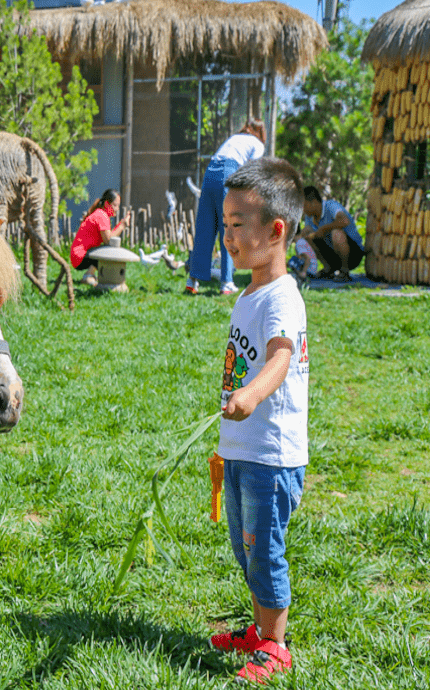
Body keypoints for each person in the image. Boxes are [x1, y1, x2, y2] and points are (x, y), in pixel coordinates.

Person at [210, 157, 309, 684]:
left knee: (263, 550)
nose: (228, 235)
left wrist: (249, 396)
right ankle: (259, 629)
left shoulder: (281, 298)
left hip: (272, 453)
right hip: (245, 448)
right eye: (224, 223)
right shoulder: (248, 293)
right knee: (245, 549)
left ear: (276, 231)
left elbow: (279, 360)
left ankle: (275, 644)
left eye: (238, 224)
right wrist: (229, 439)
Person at [187, 118, 267, 295]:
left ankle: (192, 281)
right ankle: (227, 283)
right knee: (230, 229)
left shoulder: (235, 138)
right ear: (262, 133)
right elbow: (251, 172)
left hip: (210, 174)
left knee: (205, 229)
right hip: (227, 172)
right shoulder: (258, 144)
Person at [299, 186, 365, 282]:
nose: (302, 210)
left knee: (336, 233)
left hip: (353, 254)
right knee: (307, 232)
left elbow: (344, 221)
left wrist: (324, 229)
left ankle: (344, 271)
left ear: (313, 202)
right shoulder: (310, 217)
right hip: (334, 255)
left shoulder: (331, 206)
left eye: (304, 205)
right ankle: (328, 269)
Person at [69, 189, 129, 286]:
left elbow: (109, 238)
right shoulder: (102, 216)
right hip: (80, 257)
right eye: (115, 205)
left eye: (118, 205)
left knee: (107, 249)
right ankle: (88, 275)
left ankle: (94, 275)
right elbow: (109, 241)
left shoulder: (100, 214)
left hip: (78, 256)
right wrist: (122, 226)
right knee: (108, 249)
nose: (117, 209)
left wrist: (121, 225)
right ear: (106, 204)